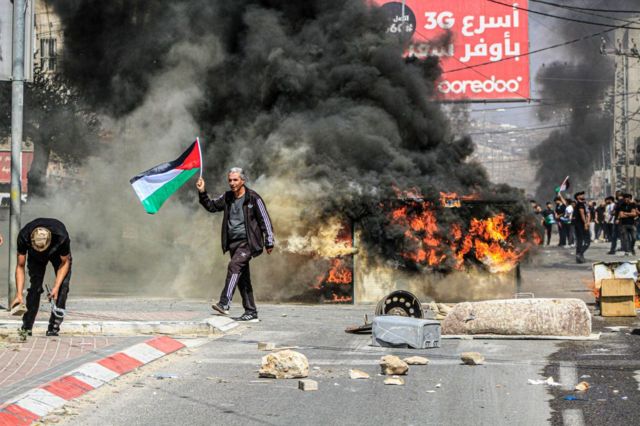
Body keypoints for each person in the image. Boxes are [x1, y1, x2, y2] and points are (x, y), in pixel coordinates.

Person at [196, 167, 275, 322]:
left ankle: (224, 303)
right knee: (242, 278)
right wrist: (202, 192)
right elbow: (211, 206)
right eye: (230, 180)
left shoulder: (253, 198)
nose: (232, 183)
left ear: (243, 181)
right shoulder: (227, 197)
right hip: (233, 243)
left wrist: (269, 240)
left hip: (248, 242)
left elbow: (264, 219)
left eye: (235, 180)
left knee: (234, 266)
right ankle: (251, 312)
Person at [10, 218, 72, 337]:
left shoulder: (61, 236)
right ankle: (27, 327)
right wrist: (18, 294)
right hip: (35, 257)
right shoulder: (24, 236)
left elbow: (65, 263)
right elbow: (20, 265)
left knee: (62, 288)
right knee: (35, 288)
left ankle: (54, 327)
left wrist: (56, 287)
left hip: (57, 254)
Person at [573, 192, 590, 263]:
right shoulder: (580, 204)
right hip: (581, 225)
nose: (583, 195)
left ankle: (579, 257)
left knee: (579, 241)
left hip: (578, 225)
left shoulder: (582, 204)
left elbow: (587, 213)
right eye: (581, 195)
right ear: (577, 197)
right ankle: (580, 254)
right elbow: (582, 213)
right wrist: (585, 223)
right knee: (587, 241)